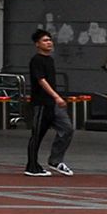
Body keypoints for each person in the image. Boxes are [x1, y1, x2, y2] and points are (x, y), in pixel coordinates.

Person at [24, 29, 75, 177]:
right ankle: (32, 166)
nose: (49, 43)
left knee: (67, 129)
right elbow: (41, 80)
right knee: (37, 135)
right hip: (41, 103)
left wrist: (55, 99)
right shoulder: (37, 60)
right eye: (45, 41)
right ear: (37, 44)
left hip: (52, 103)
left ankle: (55, 160)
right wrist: (56, 96)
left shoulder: (50, 60)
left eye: (50, 40)